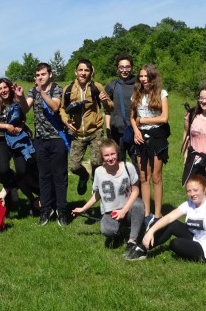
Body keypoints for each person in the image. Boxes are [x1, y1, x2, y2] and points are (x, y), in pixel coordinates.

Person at [124, 174, 206, 267]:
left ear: (204, 189)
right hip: (196, 237)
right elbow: (169, 217)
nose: (192, 194)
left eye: (195, 190)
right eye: (189, 191)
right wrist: (151, 231)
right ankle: (141, 249)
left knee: (175, 244)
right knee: (172, 224)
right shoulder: (189, 204)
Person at [71, 140, 145, 257]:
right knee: (107, 230)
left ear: (117, 153)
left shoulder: (128, 167)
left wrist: (124, 210)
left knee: (139, 205)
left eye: (112, 154)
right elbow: (97, 194)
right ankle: (117, 232)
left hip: (128, 208)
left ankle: (132, 240)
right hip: (111, 212)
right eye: (106, 155)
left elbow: (136, 190)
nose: (110, 158)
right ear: (102, 157)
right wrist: (83, 209)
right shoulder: (99, 172)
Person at [16, 63, 69, 226]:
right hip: (40, 139)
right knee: (44, 176)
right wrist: (21, 97)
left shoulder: (56, 88)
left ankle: (62, 210)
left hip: (57, 139)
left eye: (43, 74)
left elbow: (55, 107)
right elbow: (25, 109)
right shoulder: (33, 90)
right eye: (38, 75)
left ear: (50, 74)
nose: (40, 77)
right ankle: (46, 209)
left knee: (59, 176)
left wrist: (42, 92)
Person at [60, 58, 114, 196]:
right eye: (81, 70)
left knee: (97, 162)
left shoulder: (96, 87)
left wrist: (104, 101)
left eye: (86, 70)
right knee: (74, 166)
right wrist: (66, 121)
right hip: (77, 134)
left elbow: (111, 106)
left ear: (90, 72)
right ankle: (83, 176)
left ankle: (96, 183)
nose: (83, 73)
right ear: (76, 72)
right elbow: (62, 108)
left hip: (95, 131)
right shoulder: (68, 89)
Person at [0, 77, 39, 212]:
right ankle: (10, 187)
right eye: (0, 89)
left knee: (22, 170)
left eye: (5, 87)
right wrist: (6, 126)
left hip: (17, 139)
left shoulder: (16, 100)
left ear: (9, 87)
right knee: (3, 170)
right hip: (1, 138)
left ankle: (12, 189)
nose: (3, 90)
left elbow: (24, 116)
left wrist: (21, 125)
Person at [129, 63, 170, 226]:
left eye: (146, 76)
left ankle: (158, 215)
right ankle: (146, 214)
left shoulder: (162, 93)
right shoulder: (136, 94)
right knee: (143, 176)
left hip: (157, 136)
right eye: (141, 76)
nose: (143, 79)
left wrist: (143, 120)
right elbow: (132, 117)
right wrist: (136, 130)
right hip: (140, 137)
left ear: (153, 77)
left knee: (156, 177)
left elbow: (164, 118)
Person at [105, 53, 137, 161]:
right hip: (117, 132)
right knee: (119, 163)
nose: (124, 70)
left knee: (138, 163)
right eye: (121, 67)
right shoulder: (111, 85)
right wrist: (108, 129)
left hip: (135, 130)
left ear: (132, 67)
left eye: (127, 67)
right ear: (117, 69)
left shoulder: (139, 84)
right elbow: (107, 110)